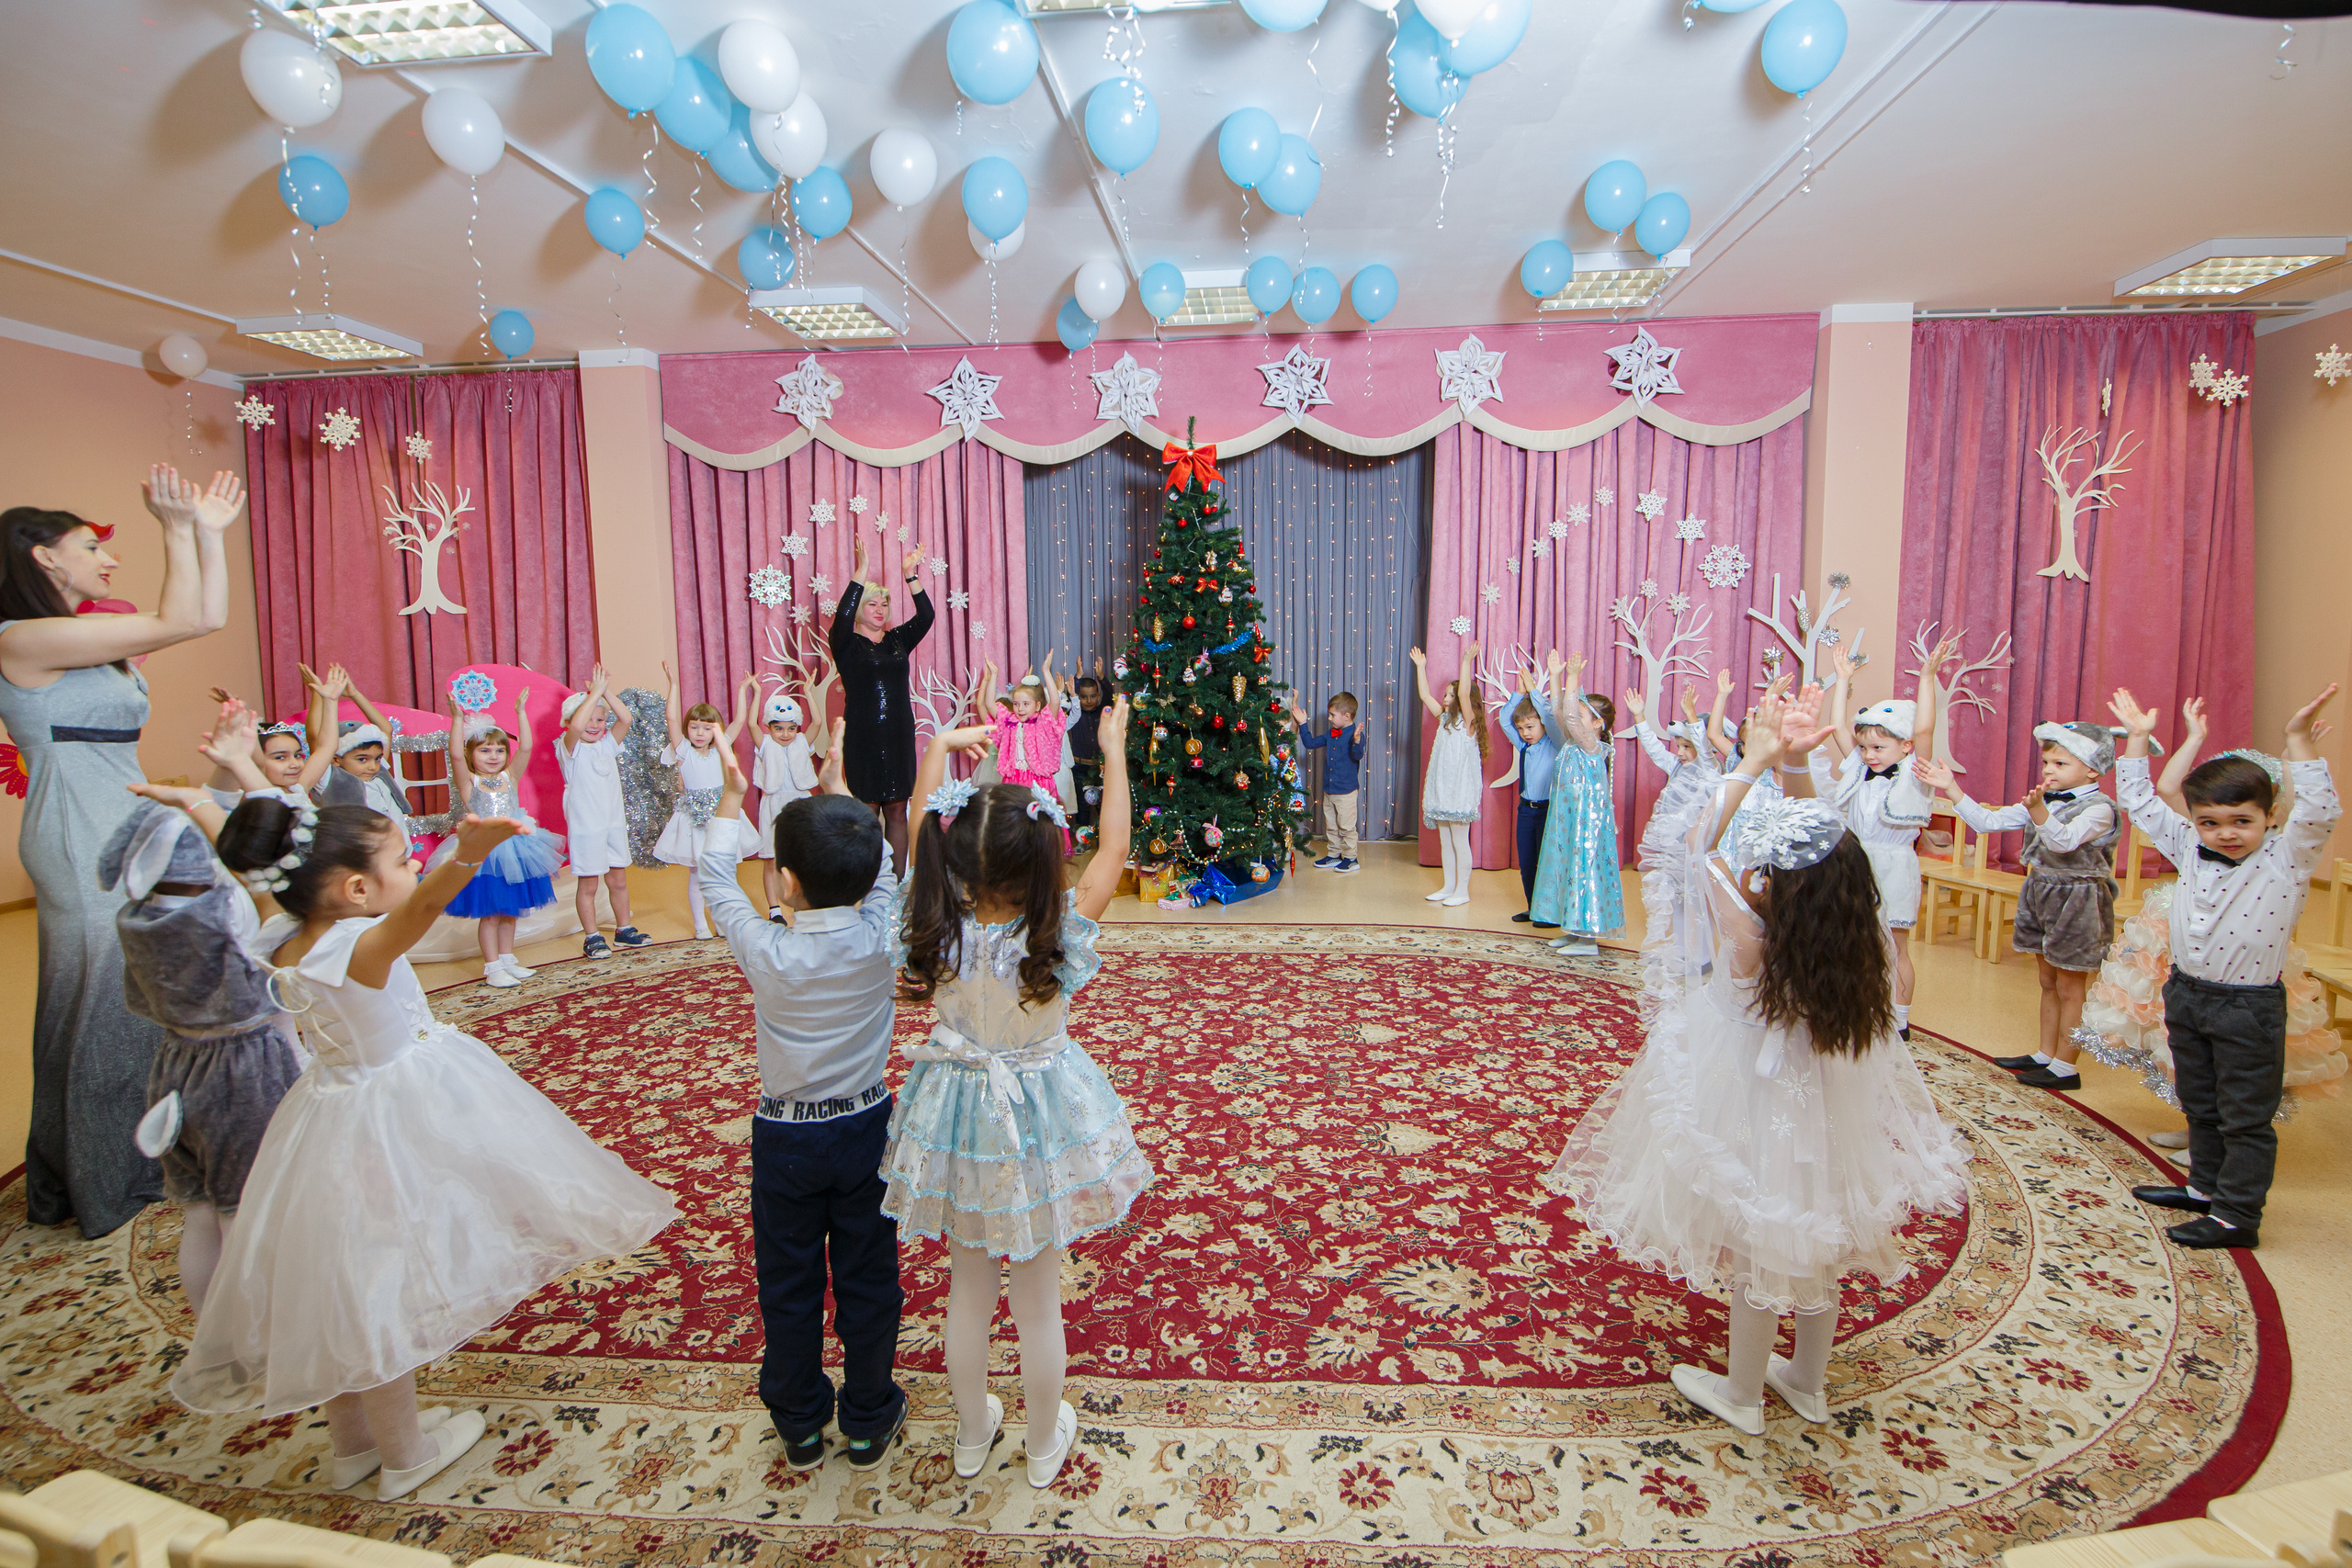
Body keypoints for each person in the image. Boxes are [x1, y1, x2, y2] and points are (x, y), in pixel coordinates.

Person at [178, 795, 676, 1496]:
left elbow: (257, 877)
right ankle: (407, 1451)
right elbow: (416, 915)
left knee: (336, 1284)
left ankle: (353, 1445)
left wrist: (210, 802)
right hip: (386, 1117)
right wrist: (468, 850)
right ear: (356, 889)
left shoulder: (283, 930)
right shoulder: (359, 947)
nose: (412, 866)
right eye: (399, 860)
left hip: (323, 1114)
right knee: (380, 1285)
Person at [1546, 686, 1969, 1436]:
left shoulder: (1749, 941)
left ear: (1772, 883)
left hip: (1759, 1108)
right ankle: (1806, 1378)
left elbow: (1698, 847)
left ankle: (1741, 1393)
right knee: (1817, 1242)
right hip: (1827, 1109)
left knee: (1763, 1248)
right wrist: (1798, 764)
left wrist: (1758, 760)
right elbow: (1830, 840)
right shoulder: (1859, 934)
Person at [886, 695, 1151, 1490]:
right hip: (1037, 1115)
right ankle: (1042, 1446)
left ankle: (973, 1433)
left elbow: (915, 842)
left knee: (967, 1292)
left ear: (953, 858)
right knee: (1038, 1301)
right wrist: (1112, 749)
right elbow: (1114, 848)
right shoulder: (1057, 928)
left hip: (959, 1112)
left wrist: (937, 749)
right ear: (1041, 857)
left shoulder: (931, 919)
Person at [0, 465, 244, 1237]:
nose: (107, 560)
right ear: (43, 556)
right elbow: (180, 613)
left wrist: (206, 531)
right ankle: (97, 1182)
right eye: (90, 546)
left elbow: (203, 615)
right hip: (75, 829)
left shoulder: (95, 640)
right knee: (99, 1005)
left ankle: (122, 1159)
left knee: (137, 1002)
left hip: (130, 819)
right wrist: (173, 526)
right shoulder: (21, 638)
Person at [700, 722, 908, 1473]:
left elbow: (714, 879)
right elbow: (883, 864)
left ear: (783, 882)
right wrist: (844, 794)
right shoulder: (882, 931)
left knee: (787, 1282)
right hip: (866, 1129)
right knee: (869, 1275)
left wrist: (730, 794)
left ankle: (797, 1423)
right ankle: (868, 1415)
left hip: (784, 1139)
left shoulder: (767, 949)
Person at [2109, 683, 2341, 1249]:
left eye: (2242, 821)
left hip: (2248, 1008)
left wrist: (2297, 743)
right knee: (2201, 1101)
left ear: (2268, 818)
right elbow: (2139, 801)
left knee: (2244, 1117)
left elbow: (2320, 811)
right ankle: (2204, 1188)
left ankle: (2236, 1216)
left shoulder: (2287, 858)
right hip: (2188, 994)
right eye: (2211, 822)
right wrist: (2138, 740)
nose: (2226, 834)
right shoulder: (2189, 846)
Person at [109, 705, 308, 1312]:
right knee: (245, 1215)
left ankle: (214, 1342)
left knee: (200, 1211)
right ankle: (258, 1339)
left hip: (175, 1066)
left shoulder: (141, 915)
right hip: (242, 1073)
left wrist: (229, 766)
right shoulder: (228, 913)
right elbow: (292, 866)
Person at [1915, 723, 2124, 1091]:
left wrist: (2039, 811)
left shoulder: (2100, 809)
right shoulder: (2043, 800)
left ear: (2092, 769)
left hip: (2078, 900)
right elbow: (1987, 822)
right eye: (2046, 762)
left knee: (2071, 986)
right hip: (2040, 892)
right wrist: (1950, 787)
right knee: (2047, 981)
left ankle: (2065, 1067)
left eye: (2060, 763)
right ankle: (2045, 1054)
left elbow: (2064, 842)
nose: (2048, 771)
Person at [1812, 643, 1951, 1039]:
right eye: (1866, 747)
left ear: (1905, 747)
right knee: (1851, 941)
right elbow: (1839, 728)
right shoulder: (1859, 766)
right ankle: (1855, 1007)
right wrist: (1843, 681)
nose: (1869, 755)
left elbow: (1925, 728)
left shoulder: (1915, 773)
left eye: (1879, 747)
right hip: (1854, 863)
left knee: (1894, 944)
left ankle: (1900, 1018)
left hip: (1894, 865)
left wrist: (1926, 679)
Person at [831, 528, 934, 874]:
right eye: (872, 604)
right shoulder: (846, 644)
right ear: (859, 611)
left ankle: (897, 886)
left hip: (899, 734)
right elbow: (843, 616)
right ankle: (868, 884)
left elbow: (926, 617)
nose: (880, 609)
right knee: (867, 813)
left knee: (896, 809)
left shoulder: (897, 640)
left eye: (885, 603)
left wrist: (911, 575)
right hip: (863, 737)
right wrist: (861, 572)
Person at [1623, 681, 1724, 1007]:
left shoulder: (1710, 770)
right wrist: (1639, 717)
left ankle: (1702, 954)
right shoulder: (1678, 767)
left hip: (1693, 846)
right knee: (1678, 899)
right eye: (1678, 746)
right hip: (1670, 845)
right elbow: (1655, 750)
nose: (1679, 753)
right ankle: (1681, 951)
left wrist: (1692, 714)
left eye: (1686, 747)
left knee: (1697, 900)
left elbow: (1706, 748)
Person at [1529, 652, 1624, 955]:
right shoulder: (1573, 743)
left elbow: (1568, 716)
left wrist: (1571, 678)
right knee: (1568, 869)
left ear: (1597, 724)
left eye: (1583, 716)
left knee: (1585, 871)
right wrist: (1556, 677)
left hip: (1587, 823)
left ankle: (1588, 940)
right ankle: (1573, 930)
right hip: (1570, 822)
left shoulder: (1593, 745)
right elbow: (1560, 714)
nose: (1575, 721)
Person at [654, 664, 757, 940]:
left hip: (721, 815)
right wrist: (673, 683)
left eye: (707, 728)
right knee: (697, 873)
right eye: (694, 727)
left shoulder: (720, 747)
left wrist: (742, 690)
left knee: (724, 872)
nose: (700, 733)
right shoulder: (684, 751)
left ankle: (722, 921)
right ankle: (701, 924)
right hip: (694, 818)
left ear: (716, 731)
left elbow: (737, 723)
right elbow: (671, 720)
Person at [558, 665, 652, 959]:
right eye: (589, 718)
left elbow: (626, 717)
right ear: (570, 721)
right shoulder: (569, 749)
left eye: (601, 719)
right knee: (588, 884)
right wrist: (594, 693)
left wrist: (605, 691)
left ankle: (624, 929)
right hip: (587, 829)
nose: (596, 724)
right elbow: (576, 728)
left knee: (618, 880)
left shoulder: (608, 744)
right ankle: (592, 936)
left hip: (613, 826)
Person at [1411, 642, 1488, 907]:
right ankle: (1448, 886)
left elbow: (1465, 694)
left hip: (1459, 790)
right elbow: (1424, 695)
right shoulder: (1444, 720)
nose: (1445, 698)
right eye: (1445, 694)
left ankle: (1462, 891)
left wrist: (1466, 663)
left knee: (1458, 839)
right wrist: (1421, 668)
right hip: (1442, 788)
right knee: (1445, 840)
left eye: (1450, 695)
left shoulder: (1469, 723)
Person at [1487, 669, 1564, 922]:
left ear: (1542, 724)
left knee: (1548, 863)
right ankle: (1534, 907)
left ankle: (1550, 911)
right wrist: (1518, 693)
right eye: (1522, 729)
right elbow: (1505, 718)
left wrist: (1533, 690)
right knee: (1528, 863)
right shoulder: (1524, 746)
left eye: (1530, 727)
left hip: (1548, 810)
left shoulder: (1555, 743)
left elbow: (1551, 718)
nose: (1525, 733)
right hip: (1526, 810)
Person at [750, 691, 824, 922]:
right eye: (778, 728)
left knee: (801, 858)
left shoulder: (803, 742)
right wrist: (756, 693)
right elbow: (751, 723)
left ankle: (802, 904)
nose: (785, 734)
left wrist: (809, 693)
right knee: (771, 859)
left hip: (800, 803)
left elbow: (818, 722)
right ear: (769, 728)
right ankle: (775, 910)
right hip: (774, 804)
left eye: (791, 728)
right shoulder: (764, 744)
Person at [983, 657, 1070, 852]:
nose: (1020, 708)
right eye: (1016, 704)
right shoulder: (1008, 722)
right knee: (1015, 824)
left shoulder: (1045, 722)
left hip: (1039, 782)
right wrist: (994, 675)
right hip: (1013, 780)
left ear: (1038, 706)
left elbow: (1055, 701)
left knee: (1042, 825)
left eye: (1025, 703)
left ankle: (1045, 857)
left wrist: (1046, 671)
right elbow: (990, 704)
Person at [1293, 690, 1368, 874]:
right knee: (1331, 825)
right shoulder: (1331, 733)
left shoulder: (1355, 735)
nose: (1330, 718)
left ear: (1347, 716)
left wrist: (1357, 740)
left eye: (1333, 715)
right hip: (1329, 789)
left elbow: (1357, 755)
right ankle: (1334, 854)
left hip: (1346, 791)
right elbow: (1310, 743)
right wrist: (1302, 723)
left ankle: (1351, 858)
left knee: (1347, 826)